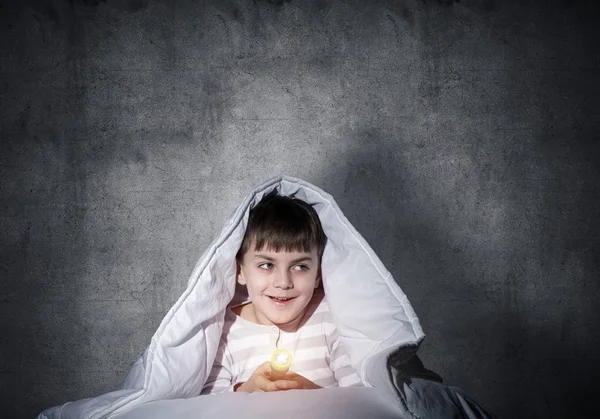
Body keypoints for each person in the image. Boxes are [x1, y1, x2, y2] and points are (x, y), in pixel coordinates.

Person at [201, 190, 362, 394]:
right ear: (240, 271)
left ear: (318, 275)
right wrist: (246, 391)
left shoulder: (331, 318)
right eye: (267, 265)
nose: (283, 282)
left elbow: (360, 399)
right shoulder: (223, 331)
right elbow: (207, 405)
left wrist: (308, 392)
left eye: (300, 267)